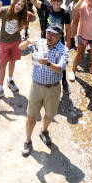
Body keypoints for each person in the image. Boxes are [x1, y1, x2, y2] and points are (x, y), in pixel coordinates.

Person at [20, 25, 69, 157]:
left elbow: (60, 68)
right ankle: (28, 141)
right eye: (48, 33)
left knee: (49, 114)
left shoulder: (63, 50)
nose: (49, 36)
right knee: (31, 116)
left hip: (53, 88)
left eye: (53, 34)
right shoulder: (39, 43)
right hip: (36, 86)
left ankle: (43, 130)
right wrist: (26, 42)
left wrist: (47, 63)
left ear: (59, 36)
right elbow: (20, 49)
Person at [0, 0, 35, 100]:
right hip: (4, 42)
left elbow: (32, 17)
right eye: (18, 4)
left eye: (22, 6)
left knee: (13, 61)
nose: (19, 7)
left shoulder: (22, 14)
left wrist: (26, 19)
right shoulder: (5, 10)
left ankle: (10, 80)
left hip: (16, 42)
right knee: (2, 64)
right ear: (14, 3)